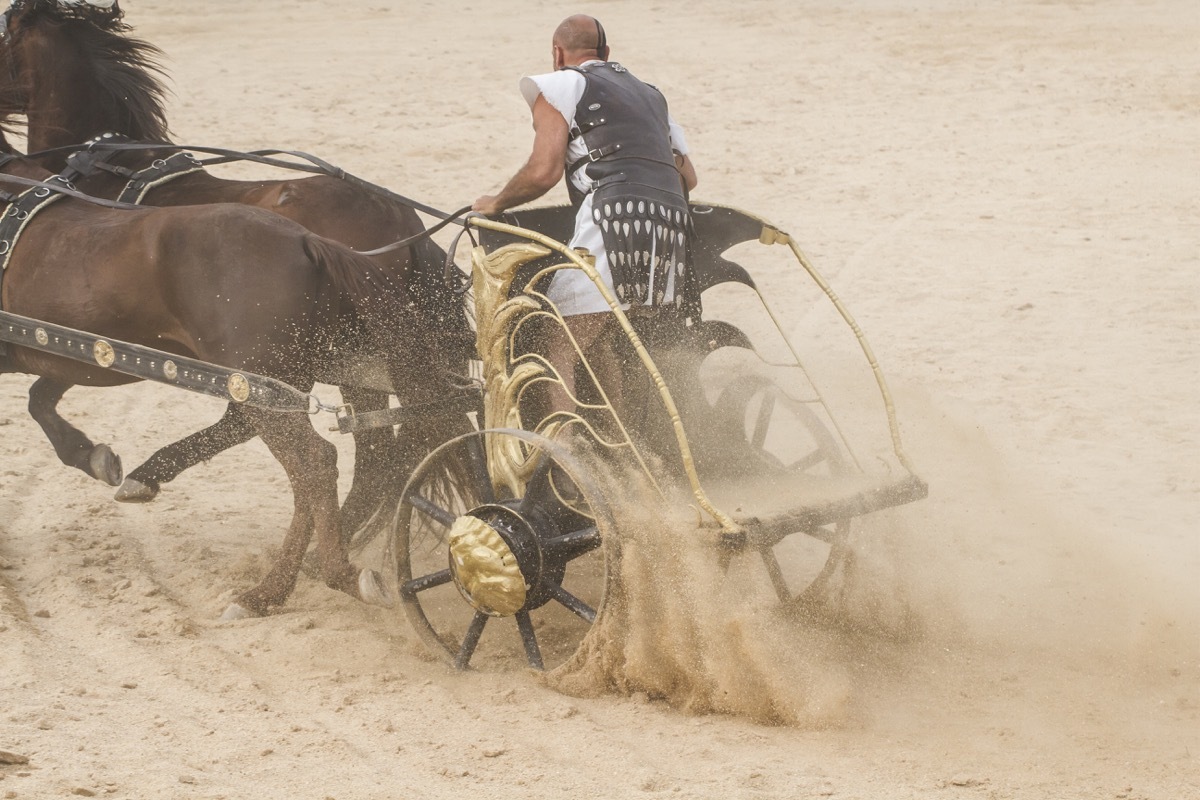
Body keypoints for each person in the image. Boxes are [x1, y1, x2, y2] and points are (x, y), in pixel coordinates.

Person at [473, 13, 698, 425]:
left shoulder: (558, 84)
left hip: (614, 219)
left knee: (551, 344)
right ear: (606, 54)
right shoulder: (652, 96)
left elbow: (543, 172)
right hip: (669, 229)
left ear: (558, 53)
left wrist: (496, 203)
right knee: (591, 338)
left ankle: (569, 465)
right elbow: (690, 178)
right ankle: (617, 451)